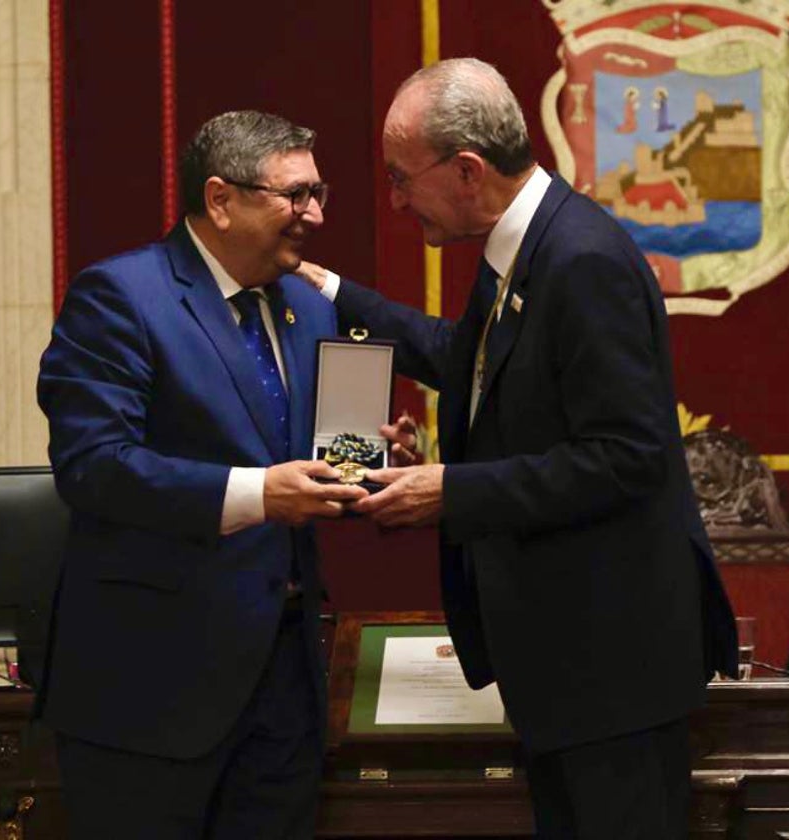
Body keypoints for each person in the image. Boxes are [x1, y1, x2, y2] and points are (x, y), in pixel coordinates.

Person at [296, 58, 737, 839]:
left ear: (467, 170)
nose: (394, 199)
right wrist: (329, 290)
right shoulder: (520, 247)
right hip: (566, 669)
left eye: (402, 178)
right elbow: (457, 356)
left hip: (613, 671)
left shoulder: (582, 261)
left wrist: (451, 492)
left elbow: (627, 456)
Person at [36, 110, 367, 838]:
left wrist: (367, 466)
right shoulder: (121, 297)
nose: (313, 214)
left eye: (319, 194)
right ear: (221, 199)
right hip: (150, 685)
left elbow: (319, 450)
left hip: (284, 683)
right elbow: (93, 466)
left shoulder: (308, 310)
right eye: (293, 195)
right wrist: (260, 494)